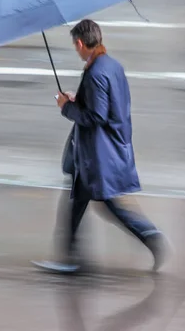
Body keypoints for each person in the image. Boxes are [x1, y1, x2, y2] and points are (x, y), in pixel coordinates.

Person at [54, 19, 166, 272]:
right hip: (100, 150)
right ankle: (70, 258)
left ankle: (150, 236)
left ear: (81, 43)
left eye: (75, 45)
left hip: (97, 154)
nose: (76, 50)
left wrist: (67, 107)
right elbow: (107, 104)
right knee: (77, 202)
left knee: (109, 205)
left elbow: (96, 117)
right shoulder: (111, 65)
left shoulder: (95, 73)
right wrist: (78, 99)